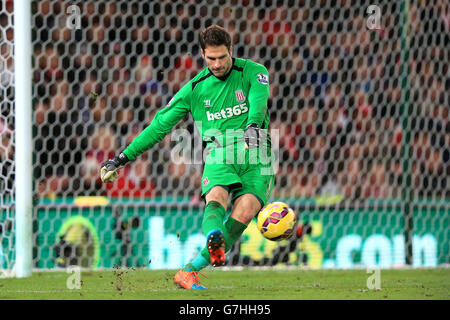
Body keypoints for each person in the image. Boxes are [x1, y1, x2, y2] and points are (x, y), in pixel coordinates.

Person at [99, 25, 274, 289]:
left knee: (247, 209)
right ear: (203, 54)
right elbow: (159, 127)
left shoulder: (254, 72)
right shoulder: (194, 89)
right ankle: (214, 236)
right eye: (211, 58)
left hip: (258, 150)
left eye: (222, 57)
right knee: (217, 196)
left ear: (231, 51)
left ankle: (189, 270)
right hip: (220, 150)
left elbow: (259, 101)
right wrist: (122, 158)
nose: (216, 64)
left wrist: (251, 126)